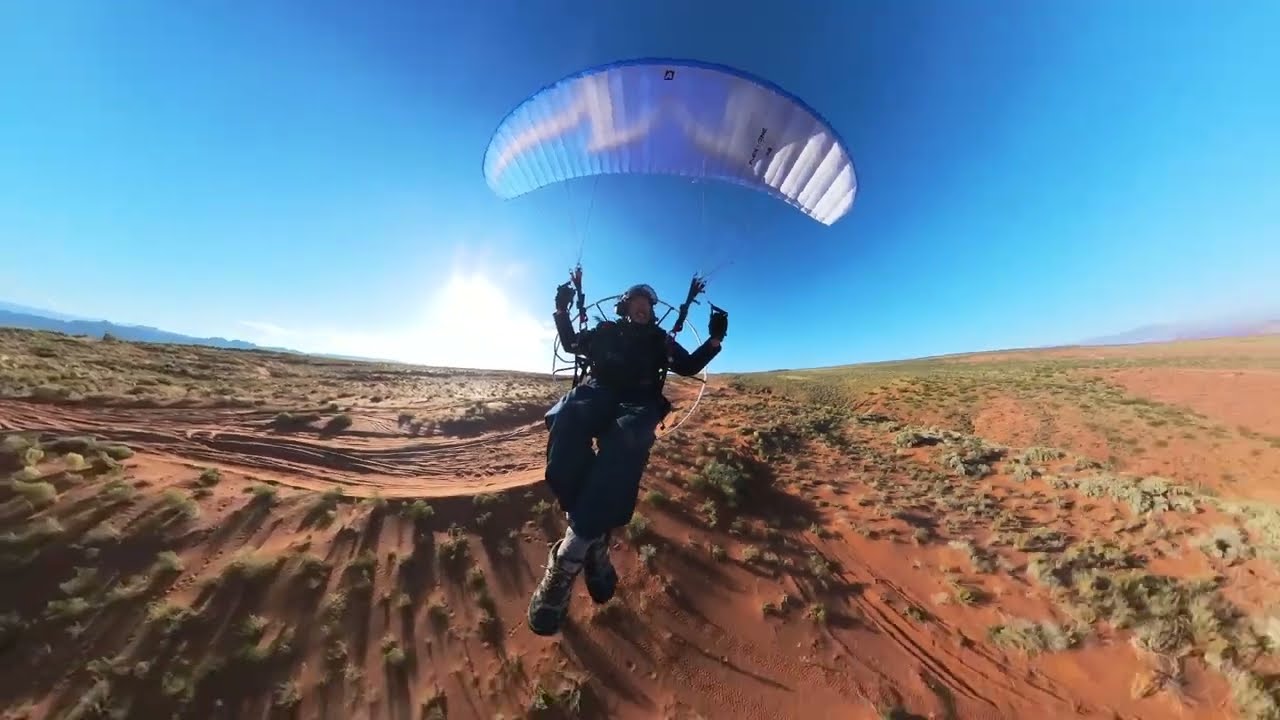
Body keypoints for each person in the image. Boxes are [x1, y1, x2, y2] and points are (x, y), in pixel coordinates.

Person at [527, 280, 728, 636]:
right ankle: (594, 544)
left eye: (646, 303)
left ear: (651, 310)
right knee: (566, 418)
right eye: (635, 301)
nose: (642, 306)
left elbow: (687, 366)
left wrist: (714, 341)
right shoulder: (604, 331)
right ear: (624, 307)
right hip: (595, 392)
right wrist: (562, 309)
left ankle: (569, 557)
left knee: (626, 440)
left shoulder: (660, 340)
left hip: (637, 404)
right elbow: (573, 343)